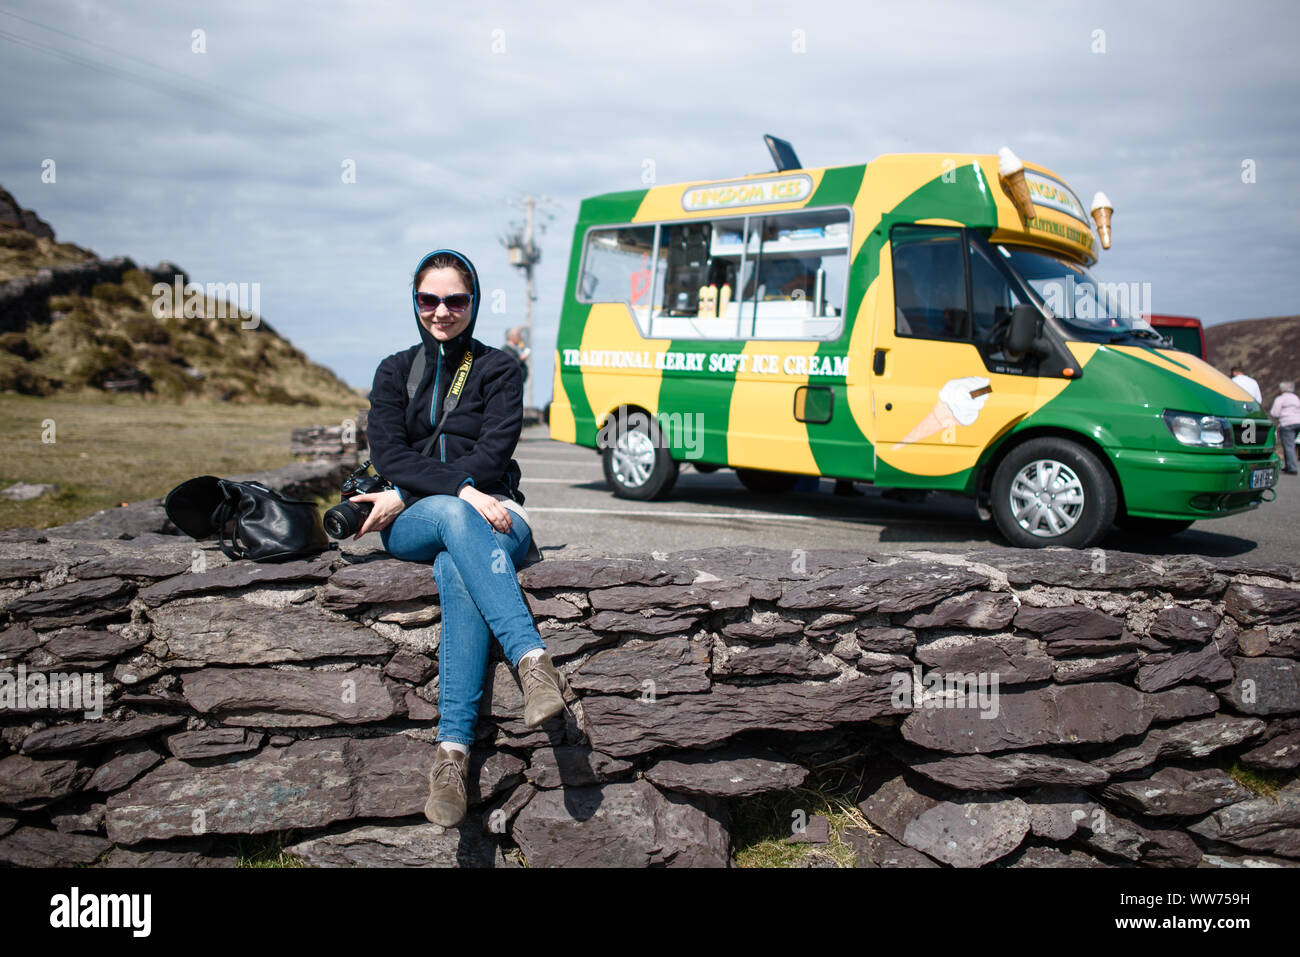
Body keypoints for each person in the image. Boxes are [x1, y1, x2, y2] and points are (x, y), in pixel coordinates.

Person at [349, 249, 568, 828]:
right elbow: (388, 453)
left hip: (497, 514)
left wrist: (428, 490)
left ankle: (451, 754)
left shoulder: (498, 370)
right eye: (429, 299)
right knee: (451, 517)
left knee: (454, 567)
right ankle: (532, 658)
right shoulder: (394, 371)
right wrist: (460, 492)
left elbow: (495, 453)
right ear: (415, 302)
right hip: (432, 517)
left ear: (473, 302)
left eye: (455, 300)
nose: (441, 311)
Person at [1269, 380, 1300, 475]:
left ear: (1282, 390)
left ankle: (1292, 468)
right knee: (1291, 445)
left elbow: (1275, 412)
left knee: (1288, 445)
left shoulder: (1281, 399)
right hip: (1298, 422)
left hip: (1287, 423)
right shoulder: (1296, 398)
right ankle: (1288, 465)